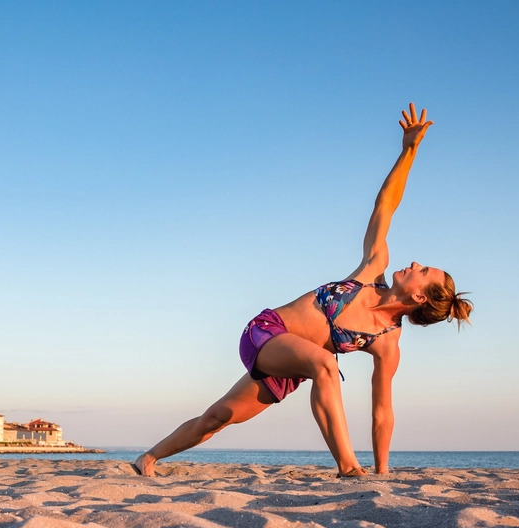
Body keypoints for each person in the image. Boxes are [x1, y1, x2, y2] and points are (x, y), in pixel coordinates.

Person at [134, 103, 472, 478]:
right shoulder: (371, 269)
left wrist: (383, 471)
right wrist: (408, 151)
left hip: (292, 366)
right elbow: (385, 205)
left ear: (420, 297)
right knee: (326, 364)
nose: (413, 264)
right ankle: (348, 469)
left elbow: (382, 413)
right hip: (266, 332)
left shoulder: (388, 343)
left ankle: (146, 458)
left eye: (422, 271)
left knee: (217, 418)